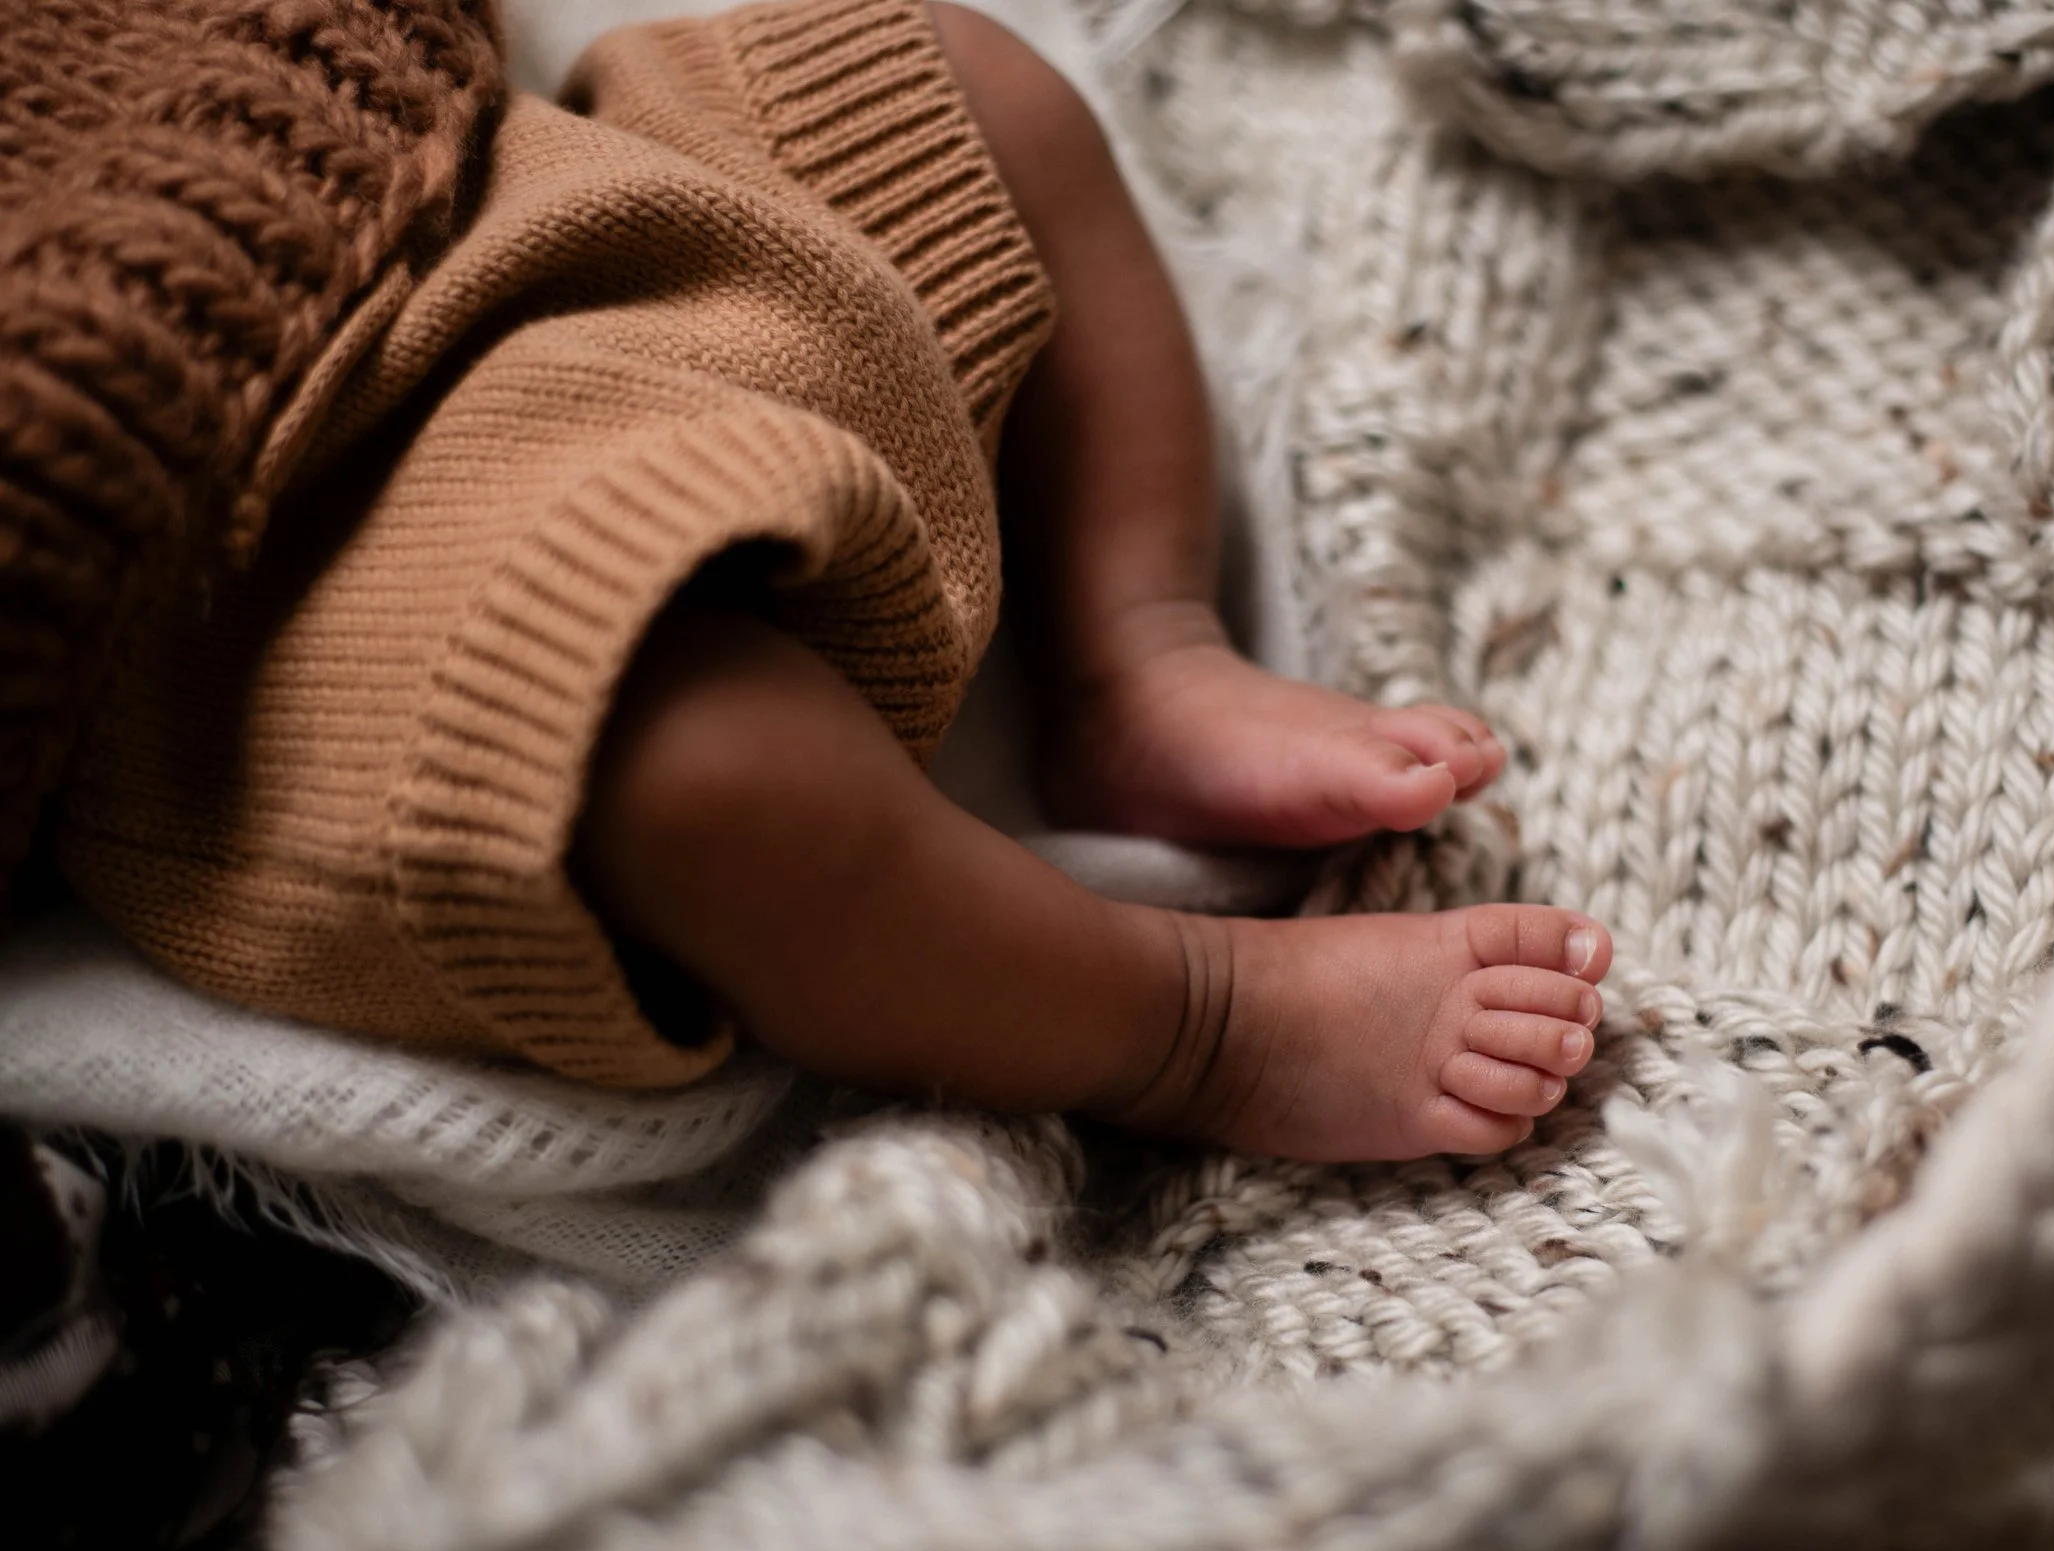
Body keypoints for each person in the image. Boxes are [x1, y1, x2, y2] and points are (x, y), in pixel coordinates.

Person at [50, 0, 1611, 1162]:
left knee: (961, 81)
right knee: (691, 767)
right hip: (264, 546)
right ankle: (1190, 1018)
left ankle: (1137, 649)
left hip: (504, 201)